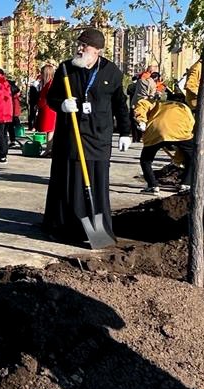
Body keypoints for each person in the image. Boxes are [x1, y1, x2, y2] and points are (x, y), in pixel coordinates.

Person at [43, 28, 132, 244]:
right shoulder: (66, 68)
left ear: (97, 51)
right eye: (79, 44)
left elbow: (120, 105)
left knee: (97, 183)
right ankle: (65, 229)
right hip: (70, 137)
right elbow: (51, 98)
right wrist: (61, 105)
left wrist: (126, 132)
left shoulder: (112, 72)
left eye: (85, 46)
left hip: (98, 138)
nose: (80, 48)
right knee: (69, 183)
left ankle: (98, 233)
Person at [134, 91, 195, 195]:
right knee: (192, 157)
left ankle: (153, 186)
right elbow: (191, 123)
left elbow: (142, 104)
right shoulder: (184, 107)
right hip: (180, 133)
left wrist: (141, 120)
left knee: (146, 160)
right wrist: (178, 159)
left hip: (157, 131)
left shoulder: (158, 103)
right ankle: (186, 184)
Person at [36, 64, 57, 155]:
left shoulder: (50, 84)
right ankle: (49, 148)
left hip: (48, 109)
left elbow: (45, 97)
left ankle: (49, 149)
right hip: (47, 108)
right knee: (50, 130)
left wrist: (40, 104)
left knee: (50, 129)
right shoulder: (50, 83)